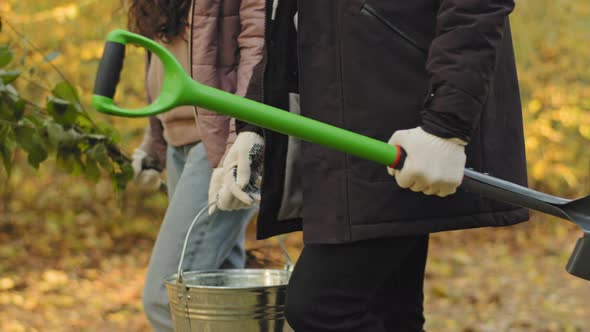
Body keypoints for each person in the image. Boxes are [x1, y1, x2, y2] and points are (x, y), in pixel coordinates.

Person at [209, 0, 528, 331]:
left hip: (405, 125)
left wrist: (447, 124)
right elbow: (288, 17)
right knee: (389, 311)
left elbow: (475, 7)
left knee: (322, 306)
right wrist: (256, 125)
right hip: (345, 131)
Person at [127, 0, 264, 330]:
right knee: (222, 305)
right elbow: (160, 61)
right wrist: (154, 144)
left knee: (168, 301)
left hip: (220, 143)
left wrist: (242, 139)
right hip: (178, 143)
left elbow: (259, 46)